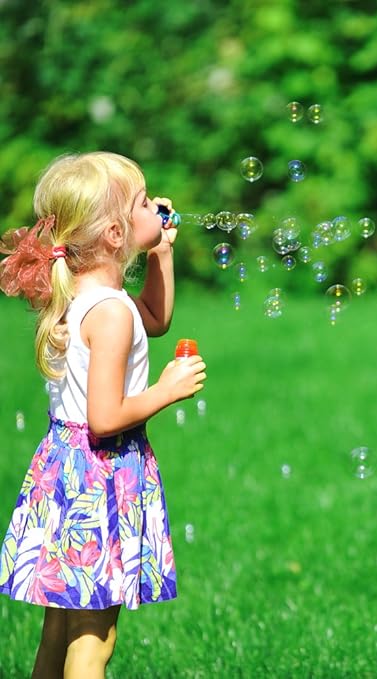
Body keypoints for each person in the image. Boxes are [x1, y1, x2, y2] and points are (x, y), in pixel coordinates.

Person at [0, 152, 206, 678]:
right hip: (102, 476)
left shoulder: (93, 296)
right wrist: (166, 390)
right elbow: (106, 418)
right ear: (115, 233)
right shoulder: (111, 313)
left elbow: (155, 316)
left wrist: (161, 252)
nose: (157, 206)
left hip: (67, 473)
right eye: (144, 201)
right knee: (94, 640)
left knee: (58, 630)